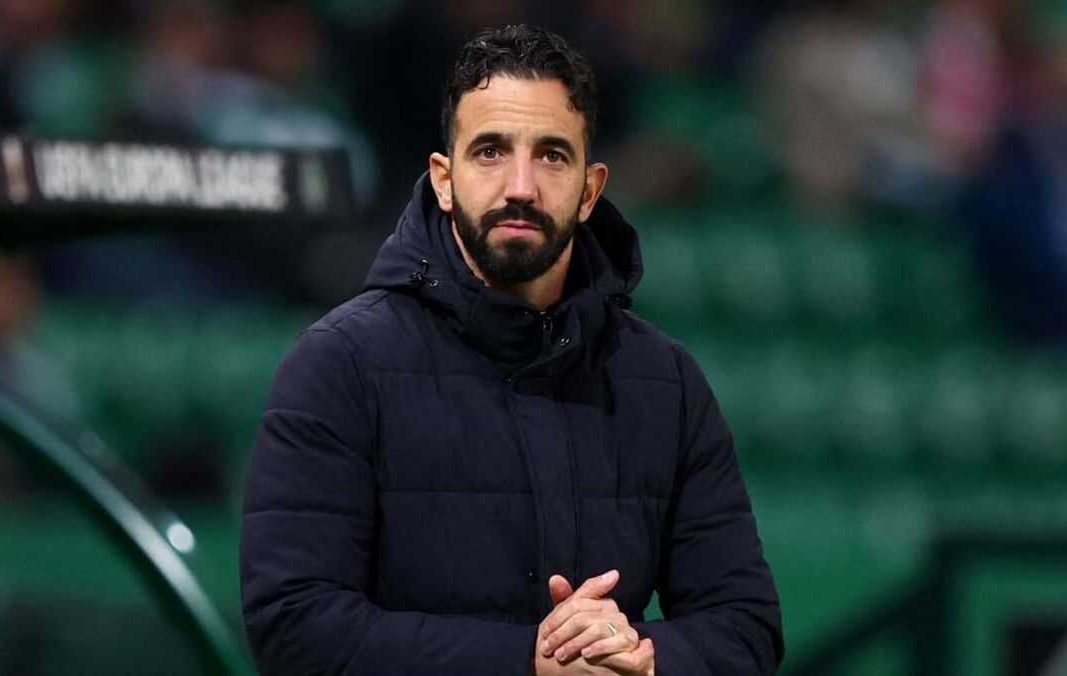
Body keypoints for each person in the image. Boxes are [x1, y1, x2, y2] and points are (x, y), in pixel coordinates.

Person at [240, 25, 783, 675]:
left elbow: (746, 627)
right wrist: (529, 661)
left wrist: (639, 656)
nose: (521, 186)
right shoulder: (338, 364)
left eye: (552, 155)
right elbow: (295, 627)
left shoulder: (666, 381)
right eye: (491, 152)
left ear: (590, 190)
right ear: (444, 180)